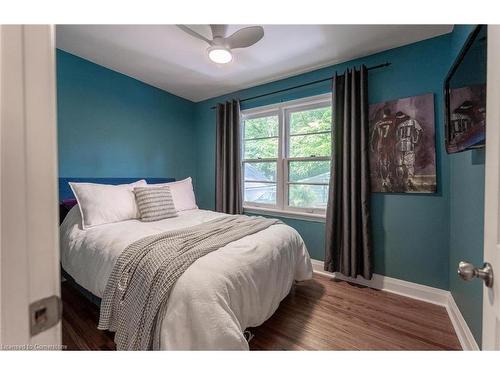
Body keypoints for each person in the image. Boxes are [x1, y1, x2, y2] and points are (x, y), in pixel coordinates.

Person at [394, 111, 423, 190]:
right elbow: (420, 131)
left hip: (400, 144)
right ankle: (409, 180)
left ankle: (401, 182)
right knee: (409, 164)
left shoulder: (399, 125)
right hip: (409, 143)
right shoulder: (413, 122)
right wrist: (416, 141)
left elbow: (396, 137)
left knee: (400, 164)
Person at [370, 108, 396, 191]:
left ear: (383, 114)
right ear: (390, 114)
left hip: (381, 145)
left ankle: (384, 181)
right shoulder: (394, 121)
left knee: (382, 163)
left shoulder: (378, 123)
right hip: (391, 145)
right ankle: (391, 177)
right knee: (391, 161)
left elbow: (373, 137)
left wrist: (372, 146)